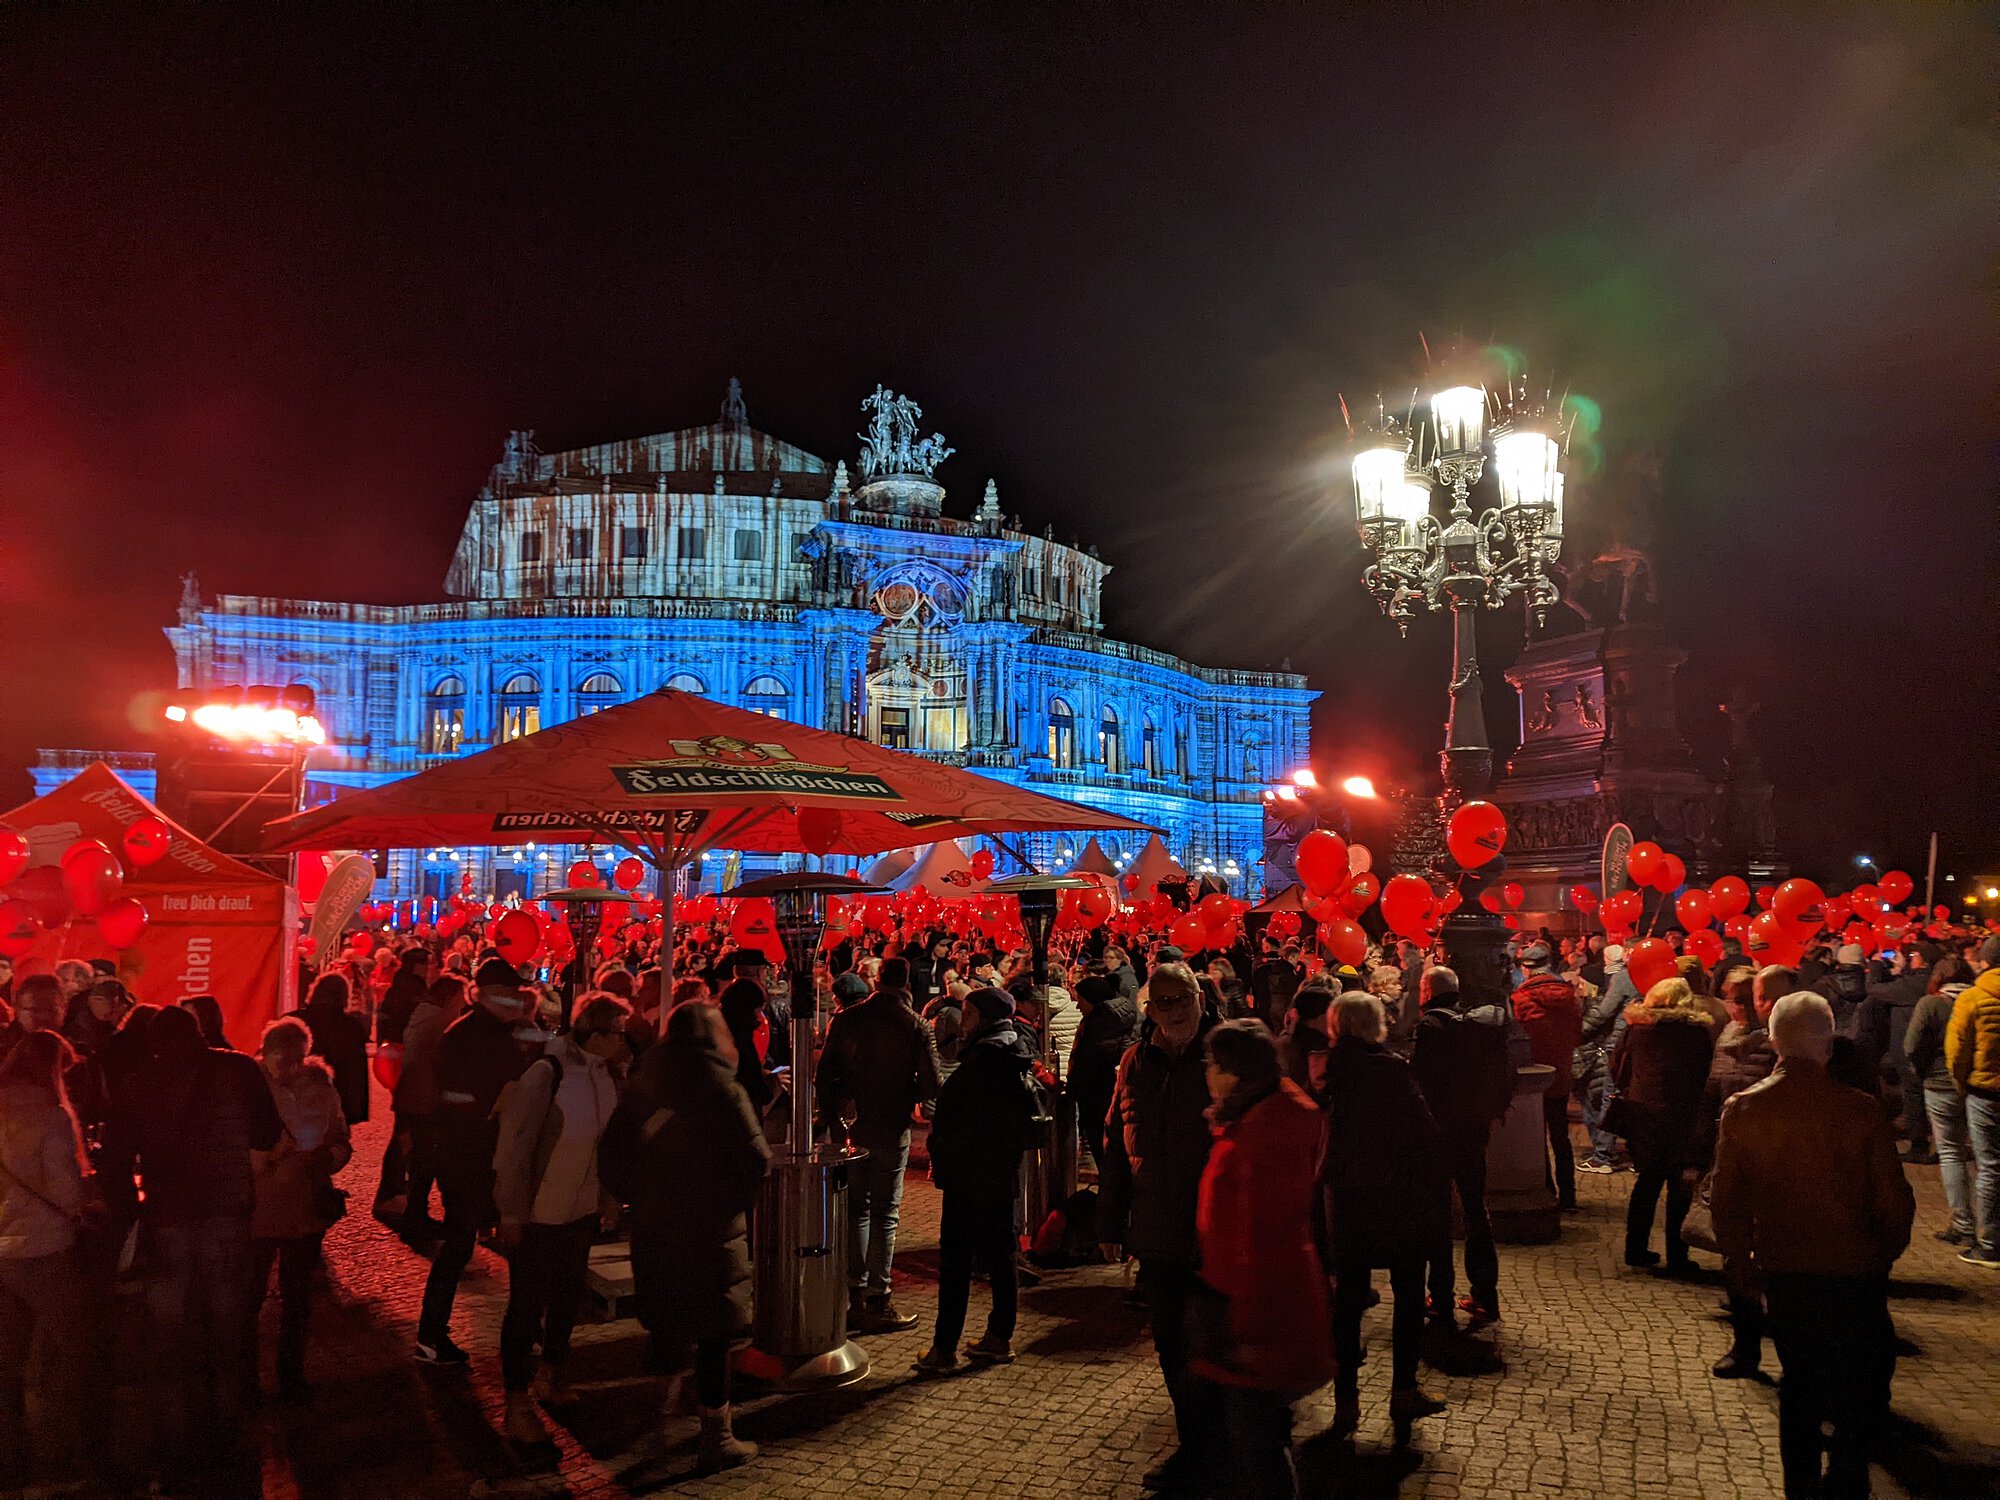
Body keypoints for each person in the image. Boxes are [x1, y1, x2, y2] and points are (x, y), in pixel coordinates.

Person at [1712, 992, 1915, 1500]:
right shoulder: (1860, 1111)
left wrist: (1741, 1267)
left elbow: (1728, 1202)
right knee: (1858, 1381)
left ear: (1775, 1041)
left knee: (1799, 1384)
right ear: (1827, 1044)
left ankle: (1800, 1487)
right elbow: (1893, 1201)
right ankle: (1847, 1476)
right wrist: (1883, 1252)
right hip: (1854, 1270)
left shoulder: (1744, 1109)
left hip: (1785, 1268)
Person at [106, 1003, 283, 1479]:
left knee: (170, 1331)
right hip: (226, 1210)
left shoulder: (138, 1083)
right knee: (227, 1324)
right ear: (200, 1034)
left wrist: (130, 1215)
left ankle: (177, 1440)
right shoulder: (239, 1070)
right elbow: (267, 1134)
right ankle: (230, 1431)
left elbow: (116, 1160)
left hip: (166, 1218)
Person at [612, 998, 770, 1474]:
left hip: (656, 1223)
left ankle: (655, 1423)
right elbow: (755, 1158)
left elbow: (613, 1151)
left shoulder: (643, 1081)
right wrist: (730, 1202)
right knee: (714, 1332)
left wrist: (637, 1196)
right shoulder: (723, 1087)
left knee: (667, 1317)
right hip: (711, 1229)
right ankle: (714, 1434)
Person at [1098, 963, 1226, 1494]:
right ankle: (1195, 1447)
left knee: (1216, 1346)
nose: (1174, 1011)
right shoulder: (1135, 1061)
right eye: (1163, 1003)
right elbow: (1113, 1141)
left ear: (1199, 997)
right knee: (1172, 1345)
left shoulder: (1225, 1054)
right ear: (1149, 1009)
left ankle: (1222, 1447)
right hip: (1157, 1225)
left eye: (1182, 1000)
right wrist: (1109, 1218)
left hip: (1216, 1228)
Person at [1191, 1020, 1334, 1495]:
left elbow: (1253, 1237)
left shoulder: (1257, 1137)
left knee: (1258, 1449)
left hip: (1257, 1314)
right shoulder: (1274, 1116)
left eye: (1212, 1064)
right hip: (1276, 1299)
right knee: (1262, 1439)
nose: (1207, 1073)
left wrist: (1238, 1327)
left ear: (1231, 1072)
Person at [492, 994, 629, 1442]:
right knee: (526, 1305)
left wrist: (609, 1197)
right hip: (538, 1212)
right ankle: (515, 1400)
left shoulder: (608, 1075)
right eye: (618, 1032)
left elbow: (609, 1145)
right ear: (595, 1031)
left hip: (580, 1209)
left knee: (569, 1298)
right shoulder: (547, 1075)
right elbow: (515, 1146)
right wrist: (510, 1210)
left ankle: (551, 1374)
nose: (624, 1041)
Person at [1316, 994, 1448, 1442]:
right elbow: (1424, 1134)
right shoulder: (1391, 1070)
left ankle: (1346, 1402)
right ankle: (1403, 1390)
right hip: (1395, 1195)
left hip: (1346, 1197)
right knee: (1409, 1293)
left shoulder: (1327, 1072)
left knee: (1348, 1301)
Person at [417, 959, 541, 1365]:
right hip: (467, 1155)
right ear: (488, 995)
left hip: (489, 1153)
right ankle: (431, 1334)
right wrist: (494, 1105)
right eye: (509, 994)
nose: (517, 1001)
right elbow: (451, 1098)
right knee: (459, 1244)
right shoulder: (464, 1036)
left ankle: (523, 1327)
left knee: (496, 1241)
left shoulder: (505, 1033)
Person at [814, 953, 942, 1334]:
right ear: (906, 983)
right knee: (885, 1210)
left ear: (876, 981)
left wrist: (834, 1110)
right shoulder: (915, 1023)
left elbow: (825, 1073)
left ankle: (853, 1293)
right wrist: (908, 1094)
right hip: (891, 1123)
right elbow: (932, 1082)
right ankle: (878, 1295)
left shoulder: (846, 1019)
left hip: (850, 1125)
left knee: (856, 1208)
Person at [916, 986, 1040, 1376]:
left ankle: (944, 1347)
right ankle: (998, 1337)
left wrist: (944, 1151)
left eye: (967, 1013)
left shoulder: (985, 1061)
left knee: (955, 1261)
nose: (962, 1021)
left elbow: (961, 1120)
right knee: (1001, 1255)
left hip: (971, 1174)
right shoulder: (1011, 1051)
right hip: (1000, 1171)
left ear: (983, 1017)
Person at [0, 1030, 93, 1482]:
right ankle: (53, 1459)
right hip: (43, 1249)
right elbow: (67, 1191)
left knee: (5, 1361)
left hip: (1, 1252)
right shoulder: (49, 1116)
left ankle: (9, 1459)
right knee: (59, 1354)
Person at [249, 1016, 352, 1402]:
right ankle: (246, 1376)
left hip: (305, 1208)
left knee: (297, 1299)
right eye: (283, 1059)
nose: (290, 1068)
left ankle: (290, 1375)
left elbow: (341, 1137)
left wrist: (327, 1158)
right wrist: (265, 1156)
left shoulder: (320, 1088)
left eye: (297, 1059)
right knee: (251, 1296)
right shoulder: (251, 1087)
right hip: (260, 1207)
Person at [1409, 965, 1510, 1327]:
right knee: (1475, 1210)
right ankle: (1486, 1294)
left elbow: (1420, 1081)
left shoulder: (1431, 1027)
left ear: (1427, 991)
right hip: (1474, 1128)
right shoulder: (1477, 1026)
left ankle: (1440, 1297)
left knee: (1436, 1216)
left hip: (1439, 1132)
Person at [1699, 966, 1782, 1378]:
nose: (1739, 1006)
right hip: (1730, 1154)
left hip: (1772, 1160)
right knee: (1737, 1257)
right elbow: (1711, 1095)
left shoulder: (1779, 1041)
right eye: (1732, 997)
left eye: (1748, 998)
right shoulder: (1725, 1038)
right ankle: (1745, 1345)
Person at [1610, 977, 1715, 1272]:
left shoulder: (1637, 1031)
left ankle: (1636, 1248)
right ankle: (1677, 1255)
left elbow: (1617, 1068)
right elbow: (1705, 1074)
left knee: (1647, 1183)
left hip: (1644, 1115)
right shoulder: (1697, 1034)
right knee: (1679, 1187)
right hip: (1682, 1116)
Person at [1906, 965, 1974, 1246]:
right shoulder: (1980, 999)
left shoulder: (1932, 1004)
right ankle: (1990, 1225)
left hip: (1939, 1083)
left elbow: (1912, 1045)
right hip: (1978, 1085)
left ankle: (1963, 1222)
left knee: (1951, 1153)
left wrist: (1919, 1072)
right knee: (1987, 1156)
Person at [1511, 944, 1582, 1211]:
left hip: (1533, 1076)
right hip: (1560, 1073)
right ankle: (1569, 1196)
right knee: (1561, 1136)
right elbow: (1577, 1031)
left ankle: (1545, 1190)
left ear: (1526, 968)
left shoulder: (1520, 999)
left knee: (1536, 1138)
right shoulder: (1568, 996)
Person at [1945, 934, 2000, 1268]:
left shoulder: (1973, 998)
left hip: (1985, 1092)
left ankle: (1990, 1243)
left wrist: (1961, 1082)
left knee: (1990, 1167)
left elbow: (1957, 1050)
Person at [373, 947, 434, 1215]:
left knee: (404, 1126)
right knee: (406, 1130)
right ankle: (393, 1190)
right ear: (420, 966)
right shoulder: (414, 992)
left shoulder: (398, 988)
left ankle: (396, 1189)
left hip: (397, 1063)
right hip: (408, 1065)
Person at [1574, 944, 1638, 1172]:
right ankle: (1637, 1154)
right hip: (1637, 1042)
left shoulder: (1623, 977)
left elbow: (1604, 1011)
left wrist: (1578, 1032)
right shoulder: (1649, 978)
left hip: (1617, 1044)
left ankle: (1603, 1156)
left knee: (1608, 1097)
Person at [1068, 972, 1138, 1171]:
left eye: (1080, 1000)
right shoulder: (1114, 1021)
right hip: (1107, 1099)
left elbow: (1090, 1066)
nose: (1077, 1005)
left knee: (1108, 1158)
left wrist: (1076, 1087)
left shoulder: (1099, 1028)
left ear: (1092, 1000)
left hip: (1100, 1101)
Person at [300, 972, 371, 1129]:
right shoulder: (351, 1026)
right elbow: (356, 1072)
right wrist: (355, 1111)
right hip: (337, 1100)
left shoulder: (298, 1020)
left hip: (300, 1097)